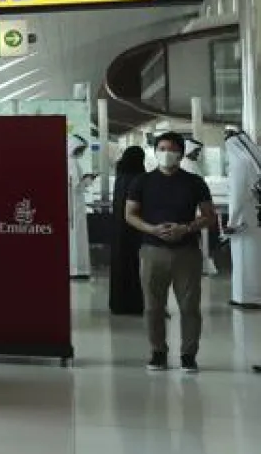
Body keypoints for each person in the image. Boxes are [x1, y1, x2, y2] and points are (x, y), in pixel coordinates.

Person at [124, 131, 216, 372]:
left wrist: (186, 228)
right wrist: (152, 229)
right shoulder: (141, 182)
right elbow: (130, 214)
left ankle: (188, 355)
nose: (166, 153)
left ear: (181, 154)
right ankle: (158, 352)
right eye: (162, 148)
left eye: (172, 149)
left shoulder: (195, 182)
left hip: (186, 252)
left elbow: (209, 216)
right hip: (152, 251)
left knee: (189, 307)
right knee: (153, 307)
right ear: (155, 152)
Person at [224, 128, 261, 310]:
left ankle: (246, 298)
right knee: (255, 258)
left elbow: (237, 196)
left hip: (243, 221)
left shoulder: (240, 163)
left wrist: (231, 222)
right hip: (255, 218)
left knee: (243, 260)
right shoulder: (254, 161)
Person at [109, 146, 148, 315]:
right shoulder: (139, 178)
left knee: (120, 266)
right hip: (136, 228)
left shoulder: (120, 177)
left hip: (119, 230)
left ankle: (118, 303)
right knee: (135, 267)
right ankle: (134, 303)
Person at [67, 135, 94, 279]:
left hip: (72, 204)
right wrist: (89, 180)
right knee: (77, 237)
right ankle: (78, 269)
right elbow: (77, 185)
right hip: (75, 205)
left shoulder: (67, 162)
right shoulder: (73, 163)